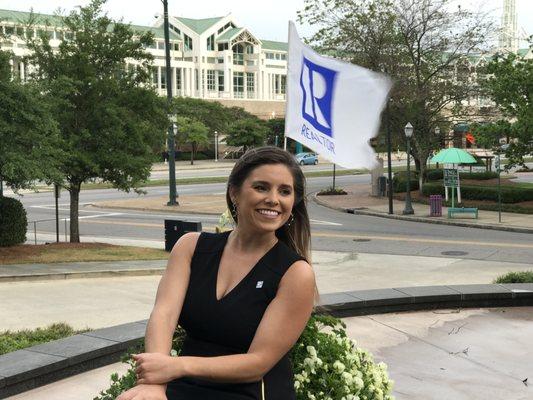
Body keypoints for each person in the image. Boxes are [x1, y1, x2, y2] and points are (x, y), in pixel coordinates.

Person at [117, 146, 316, 400]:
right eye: (261, 187)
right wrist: (154, 384)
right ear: (235, 192)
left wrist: (174, 367)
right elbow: (164, 314)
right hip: (186, 384)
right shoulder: (190, 247)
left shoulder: (295, 273)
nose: (274, 199)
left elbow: (257, 363)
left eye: (284, 191)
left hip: (252, 390)